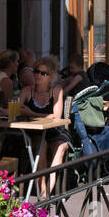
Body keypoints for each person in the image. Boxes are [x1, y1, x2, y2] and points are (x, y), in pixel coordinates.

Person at [17, 55, 69, 190]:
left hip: (55, 130)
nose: (38, 75)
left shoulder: (56, 90)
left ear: (50, 76)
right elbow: (16, 109)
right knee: (42, 145)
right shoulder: (27, 91)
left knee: (61, 147)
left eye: (43, 73)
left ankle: (49, 189)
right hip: (35, 132)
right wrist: (2, 111)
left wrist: (30, 113)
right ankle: (43, 190)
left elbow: (56, 116)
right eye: (36, 71)